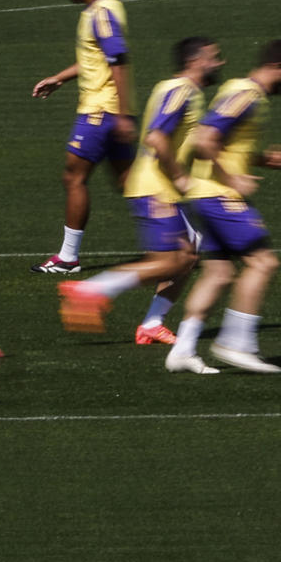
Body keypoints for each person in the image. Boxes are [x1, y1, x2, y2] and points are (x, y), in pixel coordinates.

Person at [57, 37, 222, 340]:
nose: (220, 63)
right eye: (215, 57)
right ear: (196, 61)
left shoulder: (183, 91)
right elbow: (157, 138)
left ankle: (151, 324)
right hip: (155, 188)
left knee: (188, 255)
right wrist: (180, 177)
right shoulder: (181, 91)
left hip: (162, 188)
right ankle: (91, 289)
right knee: (169, 261)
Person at [166, 40, 281, 374]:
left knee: (219, 273)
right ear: (278, 67)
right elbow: (205, 139)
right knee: (263, 263)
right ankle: (235, 343)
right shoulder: (247, 94)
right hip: (219, 195)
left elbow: (222, 141)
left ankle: (182, 351)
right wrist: (234, 179)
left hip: (204, 193)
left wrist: (260, 159)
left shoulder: (239, 91)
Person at [29, 0, 135, 274]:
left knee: (73, 177)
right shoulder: (105, 9)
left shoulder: (100, 14)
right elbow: (98, 60)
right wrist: (60, 78)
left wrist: (125, 115)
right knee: (130, 183)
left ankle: (68, 258)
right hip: (108, 112)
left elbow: (118, 61)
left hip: (99, 112)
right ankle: (188, 235)